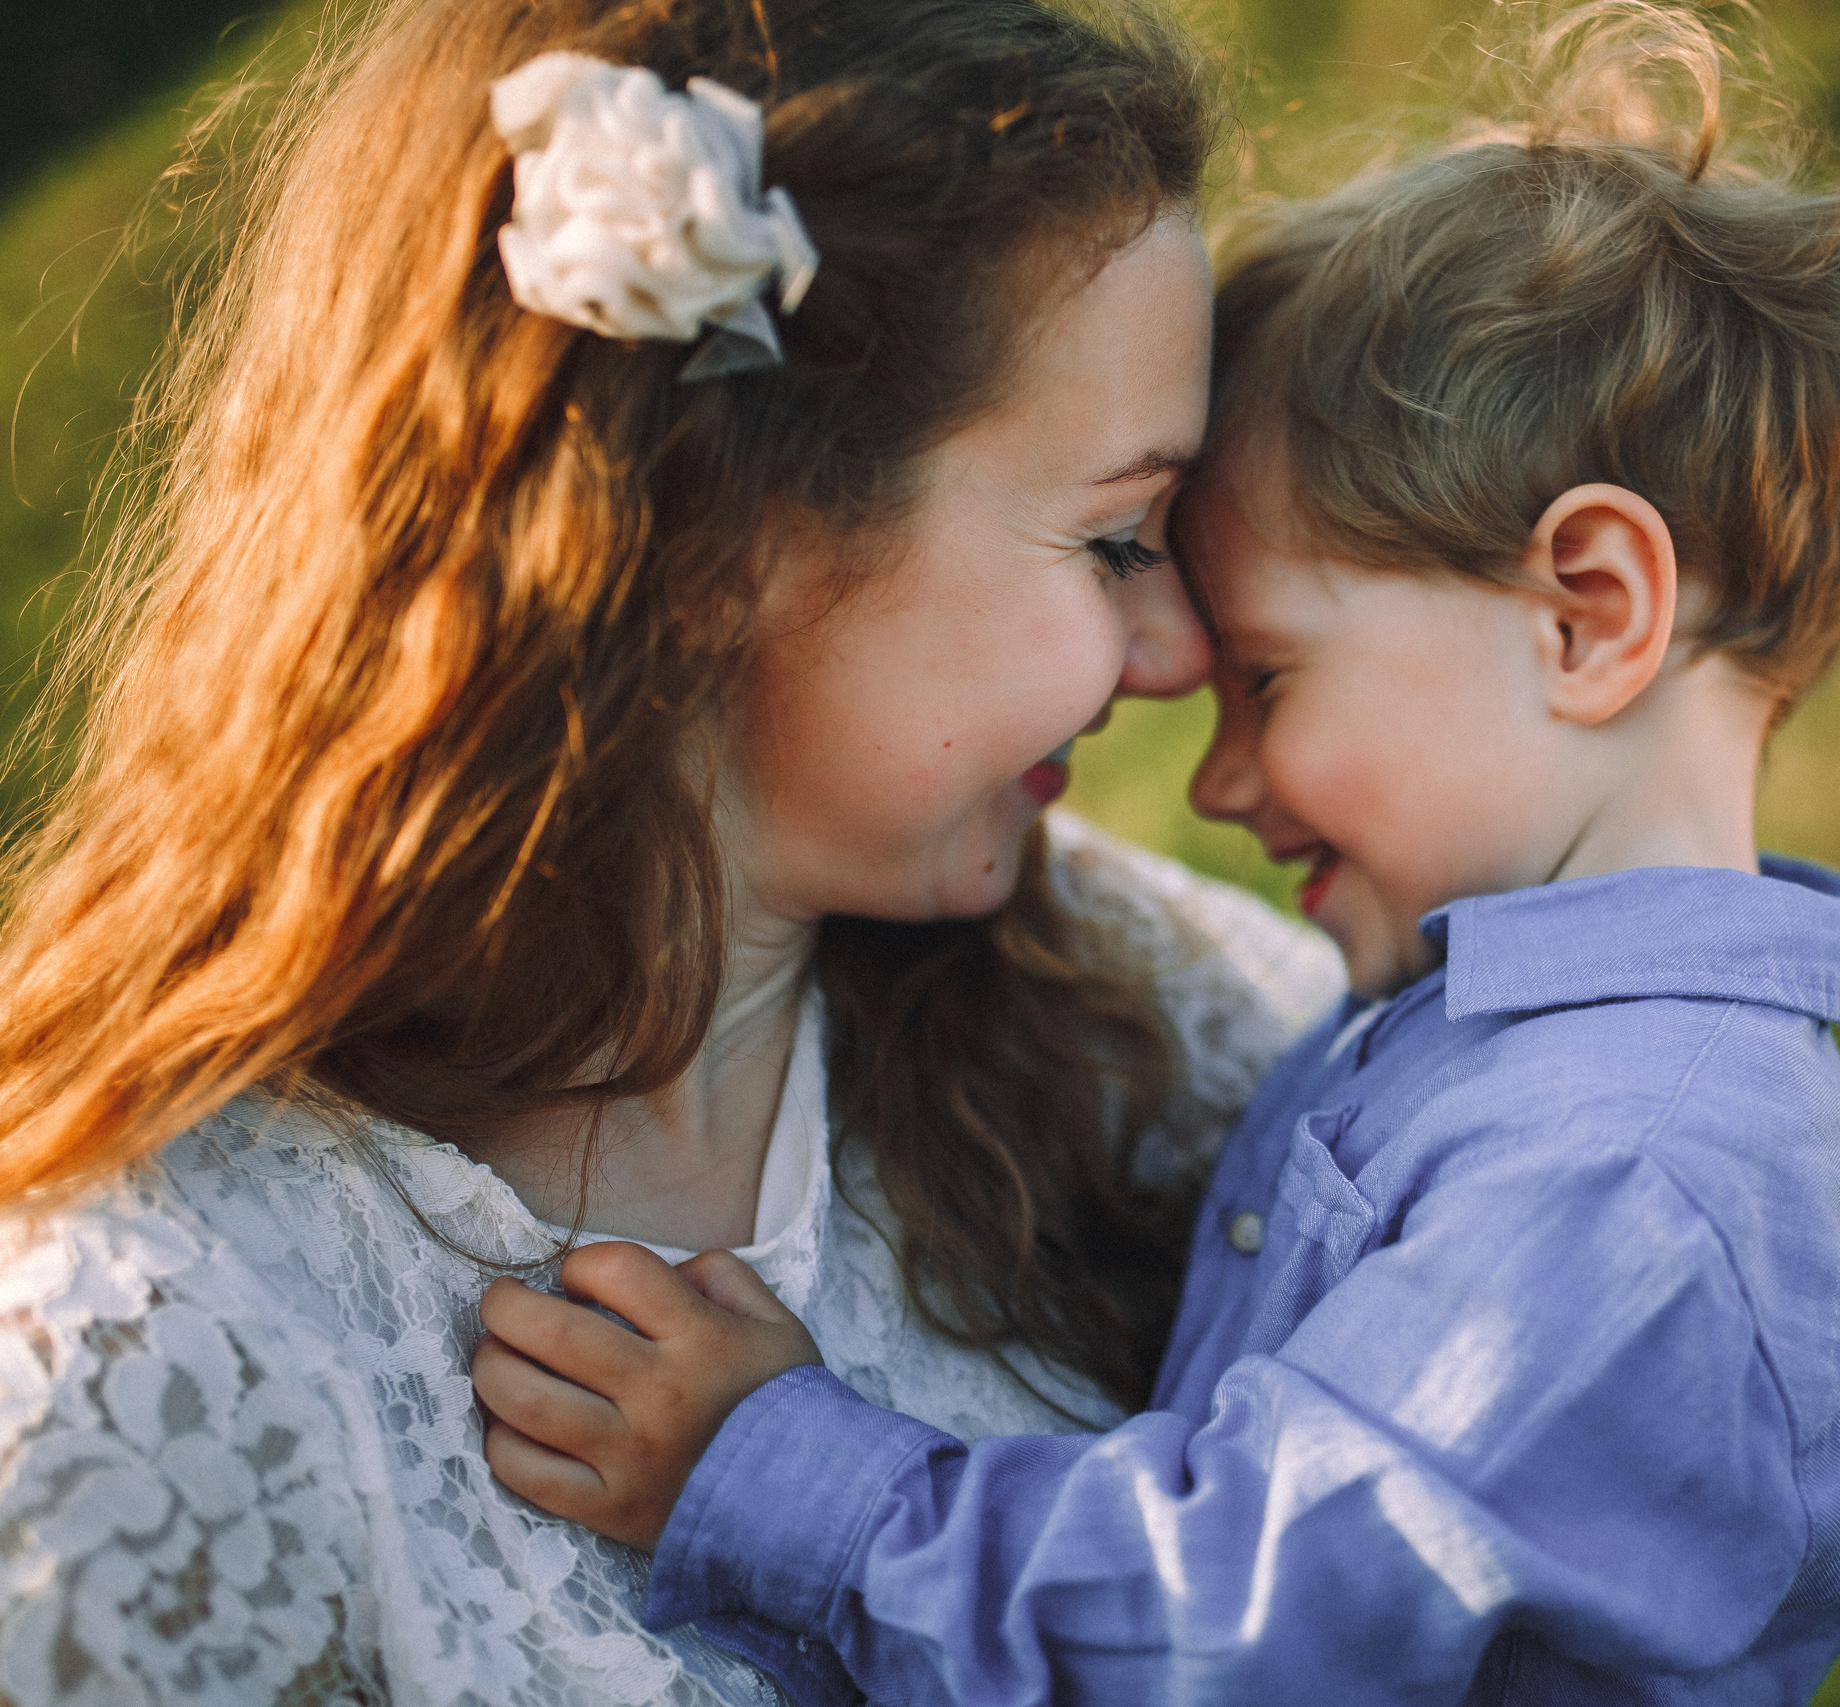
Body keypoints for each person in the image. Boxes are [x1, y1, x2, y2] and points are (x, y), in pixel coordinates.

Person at [469, 4, 1840, 1701]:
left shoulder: (1632, 1182)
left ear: (1588, 614)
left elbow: (1250, 1625)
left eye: (1269, 678)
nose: (1215, 775)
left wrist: (787, 1487)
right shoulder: (1521, 1062)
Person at [0, 1, 1345, 1703]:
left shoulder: (1153, 1022)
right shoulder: (143, 1376)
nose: (1173, 654)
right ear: (728, 533)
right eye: (1117, 538)